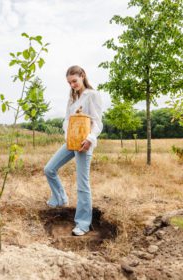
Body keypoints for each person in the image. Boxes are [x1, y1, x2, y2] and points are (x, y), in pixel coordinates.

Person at [44, 65, 104, 236]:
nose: (72, 85)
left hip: (85, 143)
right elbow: (66, 120)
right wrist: (67, 135)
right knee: (49, 169)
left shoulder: (92, 95)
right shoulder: (72, 97)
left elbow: (98, 123)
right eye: (69, 82)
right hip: (71, 140)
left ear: (83, 76)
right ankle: (60, 198)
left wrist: (90, 139)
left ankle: (83, 223)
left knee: (82, 184)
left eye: (74, 81)